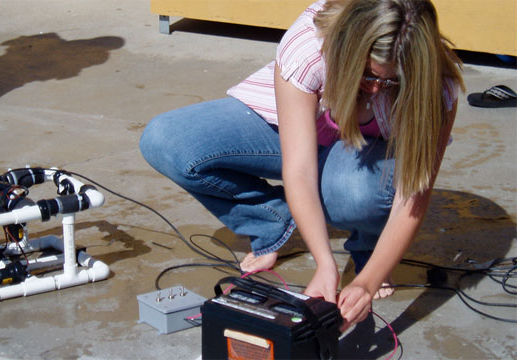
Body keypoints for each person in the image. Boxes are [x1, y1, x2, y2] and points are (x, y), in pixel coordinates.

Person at [139, 0, 464, 331]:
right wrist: (325, 264)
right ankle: (273, 223)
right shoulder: (309, 45)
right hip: (298, 129)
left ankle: (371, 252)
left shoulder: (435, 84)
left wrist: (367, 282)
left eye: (392, 80)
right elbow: (299, 169)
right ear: (347, 47)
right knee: (166, 141)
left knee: (351, 191)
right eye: (367, 74)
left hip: (363, 156)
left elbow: (412, 195)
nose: (377, 88)